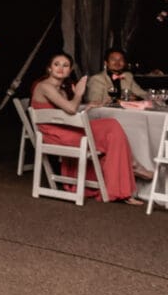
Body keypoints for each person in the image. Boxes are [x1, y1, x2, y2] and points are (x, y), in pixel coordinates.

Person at [31, 52, 145, 203]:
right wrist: (78, 94)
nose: (61, 68)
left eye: (65, 65)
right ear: (49, 69)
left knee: (111, 125)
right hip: (56, 135)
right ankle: (128, 176)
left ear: (70, 70)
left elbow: (68, 114)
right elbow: (71, 110)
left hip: (64, 130)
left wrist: (87, 107)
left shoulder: (61, 90)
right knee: (111, 128)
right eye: (56, 64)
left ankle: (123, 183)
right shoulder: (45, 86)